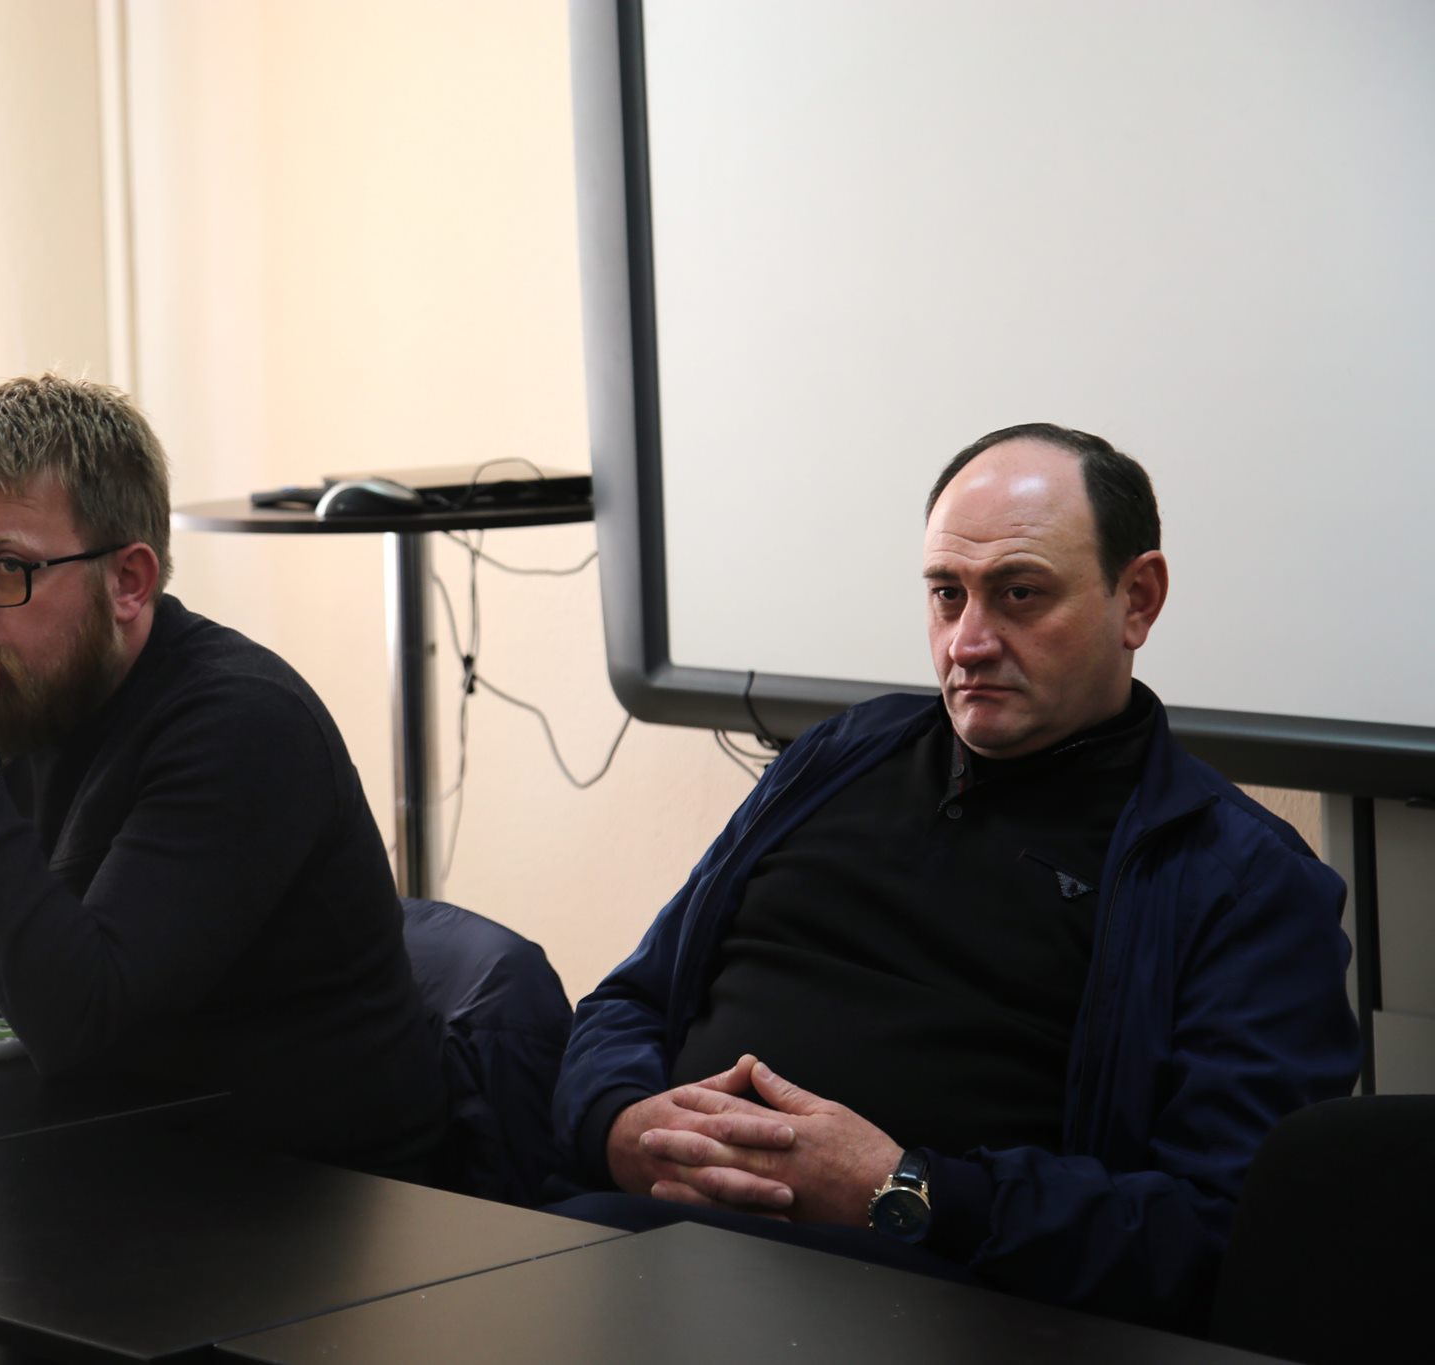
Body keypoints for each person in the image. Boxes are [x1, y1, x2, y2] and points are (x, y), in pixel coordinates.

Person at [550, 423, 1358, 1328]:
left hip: (939, 1307)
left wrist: (903, 1189)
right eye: (947, 594)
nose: (968, 643)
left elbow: (1212, 1234)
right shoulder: (836, 757)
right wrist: (621, 1126)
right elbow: (631, 1000)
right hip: (641, 1238)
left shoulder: (1241, 881)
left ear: (1137, 599)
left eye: (1019, 594)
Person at [0, 375, 444, 1176]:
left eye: (6, 567)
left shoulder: (245, 725)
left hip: (300, 1199)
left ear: (129, 581)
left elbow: (82, 1025)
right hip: (83, 1167)